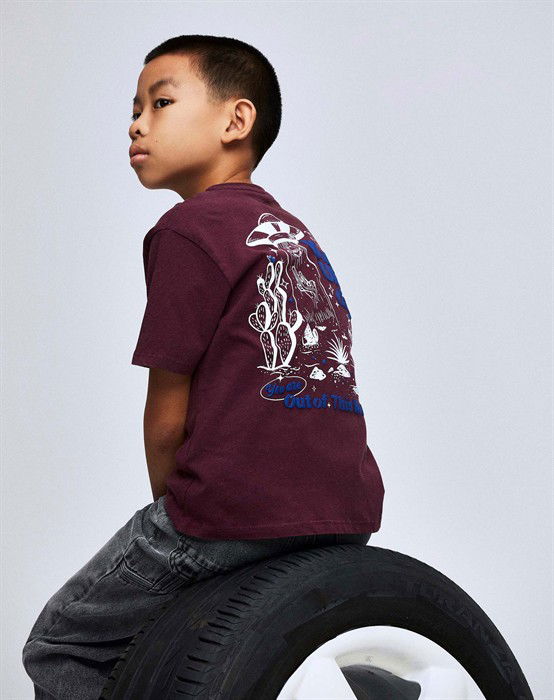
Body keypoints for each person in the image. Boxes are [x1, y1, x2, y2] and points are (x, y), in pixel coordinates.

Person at [22, 34, 385, 699]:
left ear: (235, 120)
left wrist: (176, 512)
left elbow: (168, 408)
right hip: (345, 507)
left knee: (62, 645)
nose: (137, 124)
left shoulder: (188, 230)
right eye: (134, 109)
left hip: (234, 509)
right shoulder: (297, 237)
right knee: (232, 649)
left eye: (160, 103)